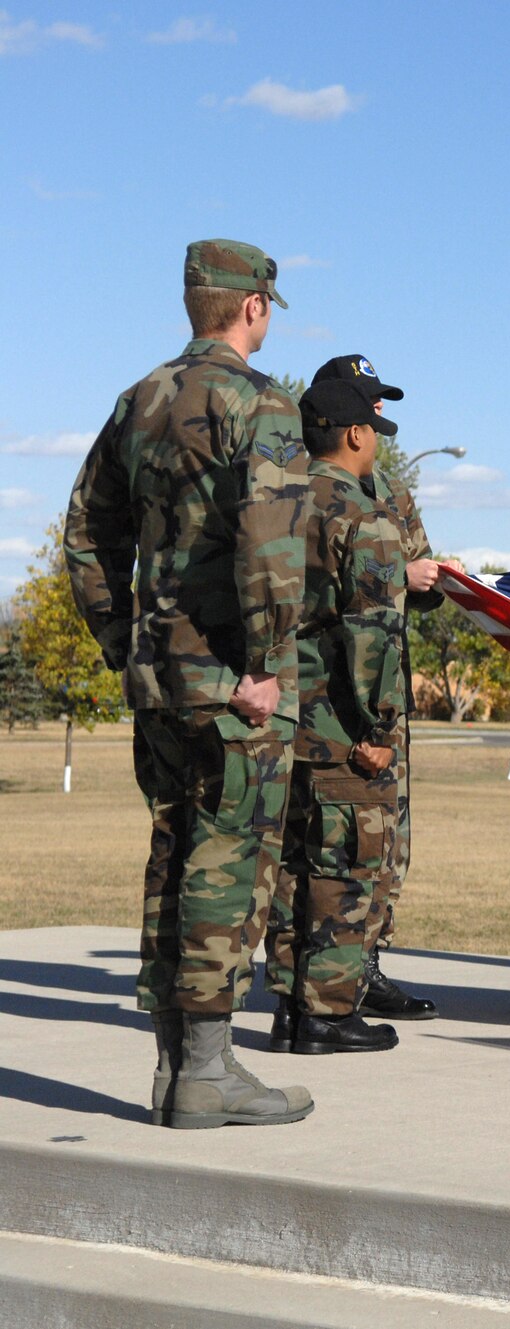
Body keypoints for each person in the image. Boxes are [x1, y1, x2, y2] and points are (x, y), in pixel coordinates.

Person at [63, 239, 314, 1128]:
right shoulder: (262, 403)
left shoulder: (140, 401)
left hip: (158, 679)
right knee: (225, 859)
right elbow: (272, 548)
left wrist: (120, 639)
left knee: (173, 857)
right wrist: (261, 660)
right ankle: (206, 1073)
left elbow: (87, 529)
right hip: (227, 683)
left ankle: (179, 1071)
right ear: (252, 308)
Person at [264, 380, 447, 1054]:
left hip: (281, 719)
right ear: (354, 434)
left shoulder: (274, 502)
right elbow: (372, 634)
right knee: (345, 866)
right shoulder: (361, 515)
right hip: (342, 723)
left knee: (290, 865)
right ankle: (329, 1014)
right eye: (373, 429)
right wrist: (378, 729)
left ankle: (288, 1008)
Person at [305, 352, 442, 1022]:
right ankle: (330, 982)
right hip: (344, 695)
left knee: (388, 838)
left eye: (383, 402)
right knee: (342, 837)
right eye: (369, 402)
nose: (379, 414)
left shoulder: (389, 491)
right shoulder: (321, 491)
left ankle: (366, 960)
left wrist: (427, 580)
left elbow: (414, 577)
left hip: (381, 682)